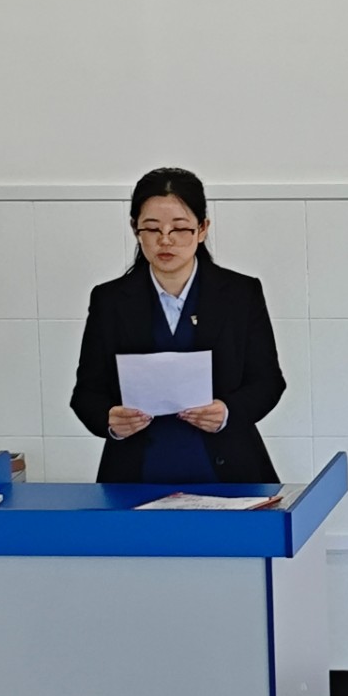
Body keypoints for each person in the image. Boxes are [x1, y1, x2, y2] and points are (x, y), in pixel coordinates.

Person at [70, 167, 286, 484]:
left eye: (180, 228)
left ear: (202, 229)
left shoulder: (240, 293)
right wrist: (110, 420)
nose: (165, 240)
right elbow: (86, 393)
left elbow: (268, 382)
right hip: (136, 471)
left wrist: (227, 412)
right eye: (152, 229)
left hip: (229, 469)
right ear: (135, 229)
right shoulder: (110, 300)